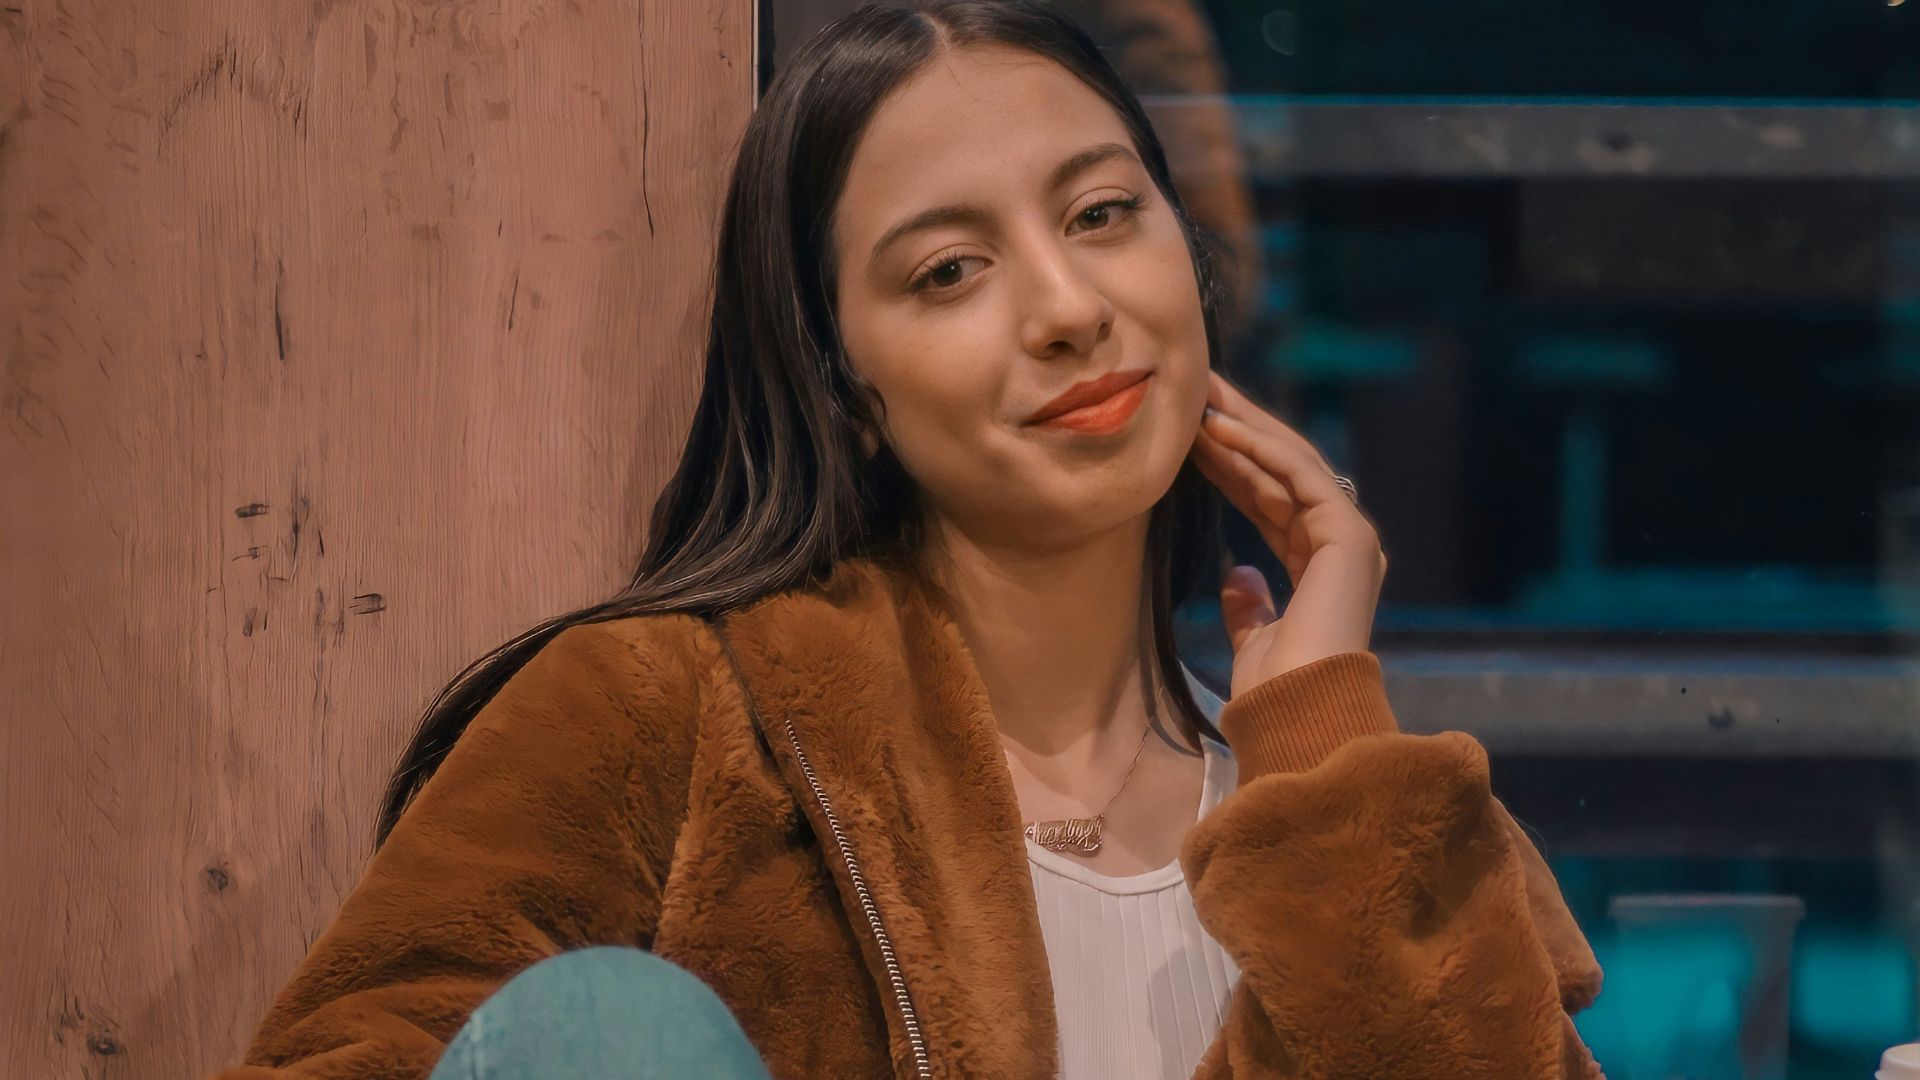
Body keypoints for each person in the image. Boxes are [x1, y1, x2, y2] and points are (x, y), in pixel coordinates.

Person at [208, 2, 1606, 1077]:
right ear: (844, 389)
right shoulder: (657, 715)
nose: (1066, 307)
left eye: (1104, 215)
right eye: (949, 272)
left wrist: (1320, 745)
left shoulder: (1361, 807)